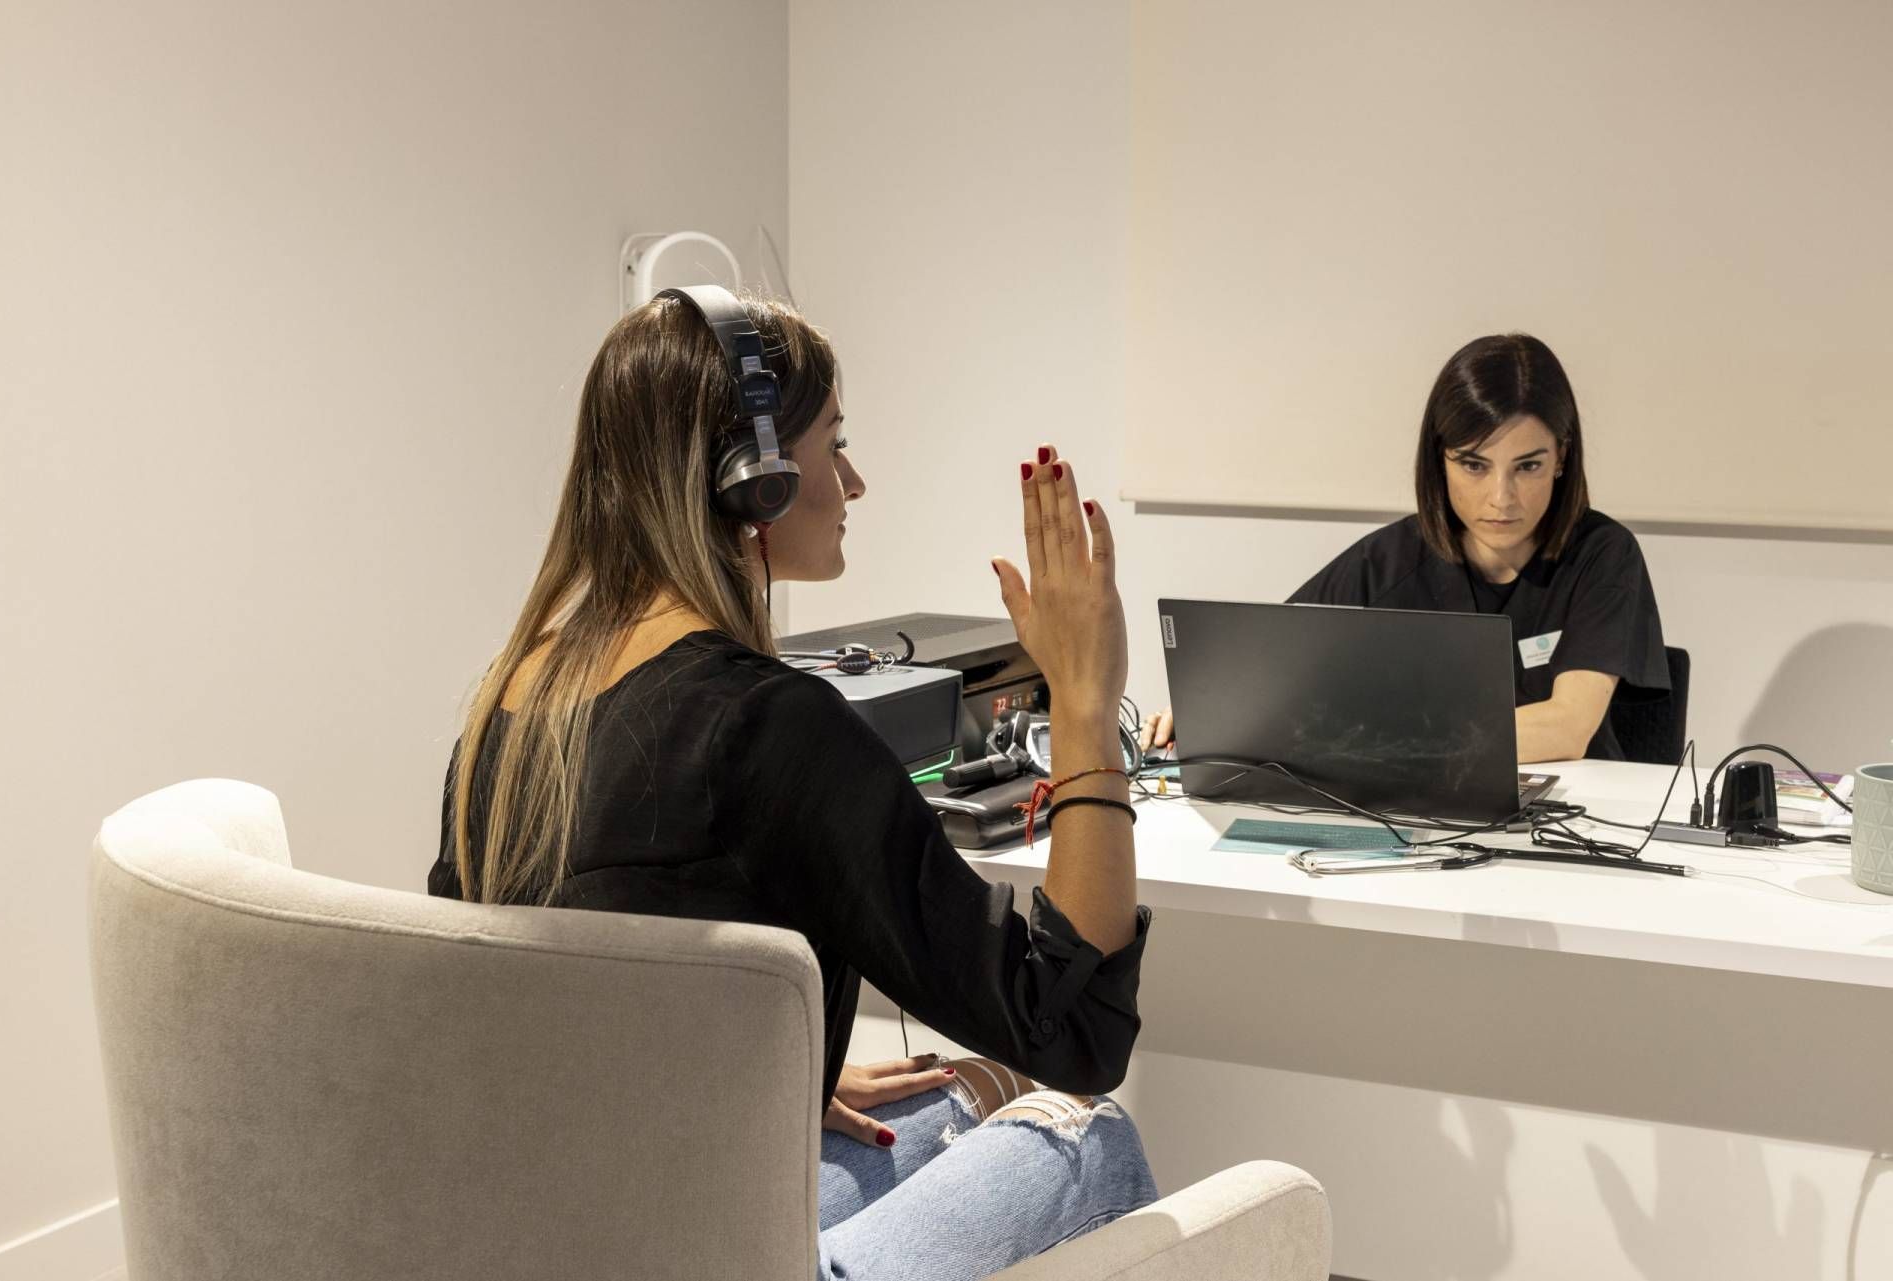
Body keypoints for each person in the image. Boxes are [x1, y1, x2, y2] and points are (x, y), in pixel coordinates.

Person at [428, 289, 1157, 1280]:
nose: (851, 481)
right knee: (1089, 1130)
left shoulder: (504, 708)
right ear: (754, 481)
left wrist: (774, 1081)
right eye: (832, 445)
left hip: (544, 1237)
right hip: (714, 1256)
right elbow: (1070, 1027)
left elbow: (524, 1022)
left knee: (961, 1092)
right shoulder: (771, 729)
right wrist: (1082, 703)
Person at [1141, 333, 1668, 763]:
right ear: (1440, 460)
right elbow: (1270, 675)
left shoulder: (1603, 554)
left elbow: (1566, 730)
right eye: (1474, 465)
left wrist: (1378, 741)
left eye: (1527, 466)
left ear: (1561, 457)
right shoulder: (1389, 561)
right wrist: (1209, 714)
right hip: (1418, 820)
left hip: (1578, 826)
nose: (1502, 498)